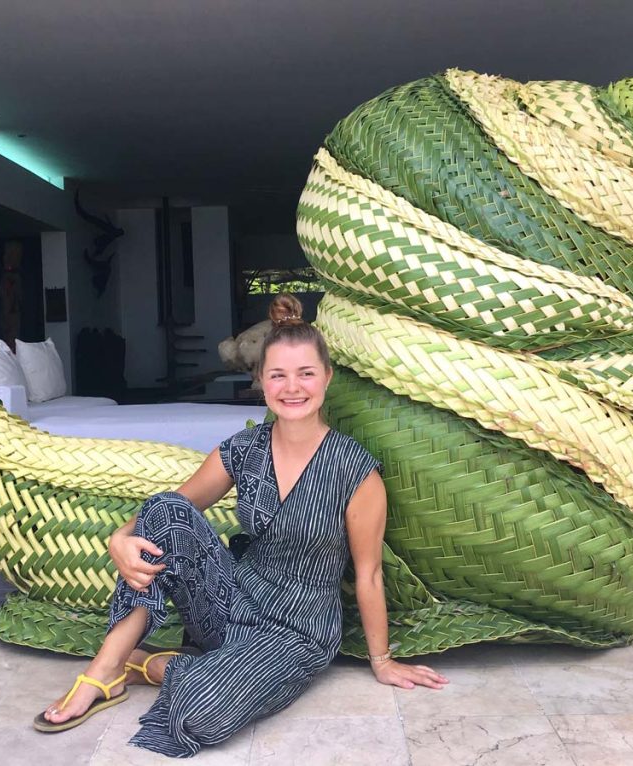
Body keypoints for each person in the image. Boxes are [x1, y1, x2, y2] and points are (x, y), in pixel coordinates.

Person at [34, 294, 448, 757]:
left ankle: (151, 665)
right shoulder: (244, 449)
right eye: (278, 375)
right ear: (261, 381)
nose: (293, 387)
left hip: (295, 632)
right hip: (229, 600)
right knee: (165, 508)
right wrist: (119, 537)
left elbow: (368, 573)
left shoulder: (355, 470)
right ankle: (105, 671)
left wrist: (383, 660)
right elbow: (173, 508)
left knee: (200, 711)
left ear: (327, 379)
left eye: (306, 373)